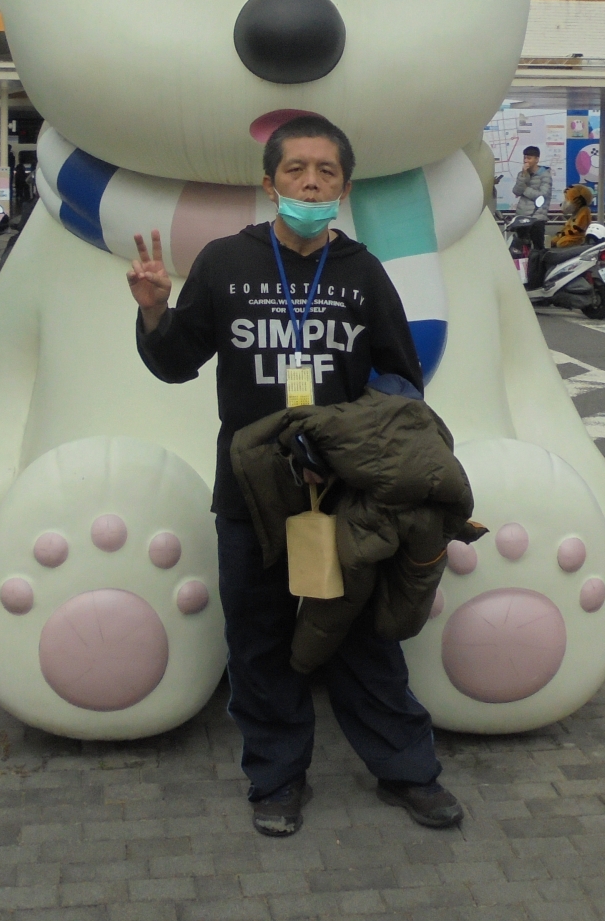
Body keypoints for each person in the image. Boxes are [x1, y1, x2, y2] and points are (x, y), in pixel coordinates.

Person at [128, 114, 464, 839]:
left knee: (361, 637)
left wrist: (354, 437)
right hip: (251, 494)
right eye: (296, 170)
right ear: (270, 182)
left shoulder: (363, 273)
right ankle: (276, 779)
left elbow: (402, 378)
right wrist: (155, 313)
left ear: (344, 190)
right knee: (258, 640)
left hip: (343, 497)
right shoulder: (225, 262)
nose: (311, 184)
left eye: (326, 172)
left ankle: (408, 770)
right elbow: (177, 362)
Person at [511, 145, 553, 250]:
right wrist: (523, 176)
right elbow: (516, 191)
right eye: (525, 158)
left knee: (538, 247)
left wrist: (525, 189)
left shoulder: (545, 175)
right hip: (522, 215)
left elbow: (542, 195)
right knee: (522, 247)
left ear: (537, 159)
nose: (526, 161)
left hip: (537, 216)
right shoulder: (522, 174)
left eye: (529, 158)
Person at [551, 183, 595, 249]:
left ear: (579, 200)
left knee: (561, 243)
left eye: (567, 199)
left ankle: (580, 244)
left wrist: (563, 234)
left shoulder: (584, 212)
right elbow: (568, 226)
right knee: (552, 241)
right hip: (570, 235)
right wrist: (561, 232)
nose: (564, 203)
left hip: (578, 237)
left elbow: (577, 229)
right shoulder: (576, 213)